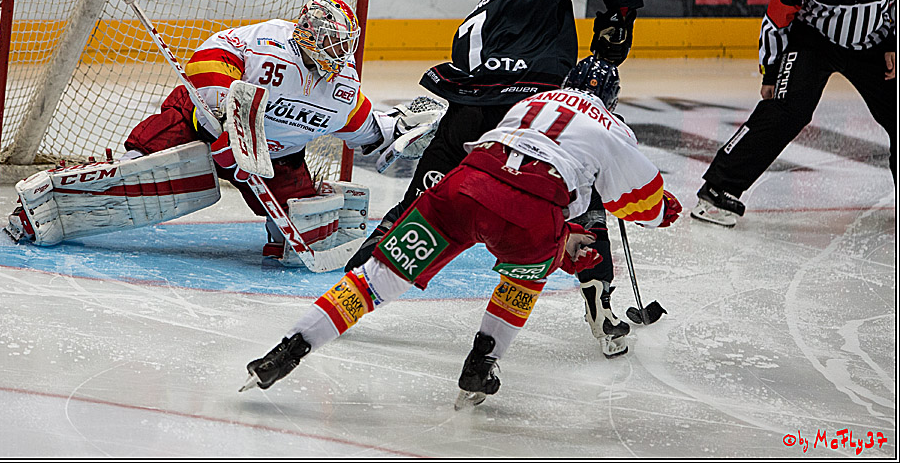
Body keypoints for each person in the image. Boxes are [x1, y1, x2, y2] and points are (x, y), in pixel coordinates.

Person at [240, 56, 682, 406]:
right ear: (612, 98)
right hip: (533, 212)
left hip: (464, 186)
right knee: (519, 283)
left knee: (375, 282)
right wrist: (666, 209)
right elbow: (642, 204)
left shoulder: (532, 102)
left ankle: (290, 347)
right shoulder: (611, 125)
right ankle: (481, 361)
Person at [346, 0, 646, 357]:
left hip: (467, 112)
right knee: (582, 200)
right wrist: (618, 20)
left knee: (421, 203)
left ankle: (354, 285)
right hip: (529, 112)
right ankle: (602, 305)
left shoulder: (474, 15)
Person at [5, 0, 438, 259]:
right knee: (138, 169)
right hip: (202, 125)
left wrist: (400, 130)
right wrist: (229, 125)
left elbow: (368, 132)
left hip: (275, 159)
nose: (336, 52)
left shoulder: (341, 87)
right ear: (306, 32)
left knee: (298, 235)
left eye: (342, 44)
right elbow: (209, 61)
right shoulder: (269, 41)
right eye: (328, 41)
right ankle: (42, 206)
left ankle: (278, 231)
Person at [692, 0, 896, 227]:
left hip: (874, 48)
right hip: (813, 44)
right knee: (785, 110)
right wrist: (771, 72)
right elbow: (776, 19)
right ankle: (716, 191)